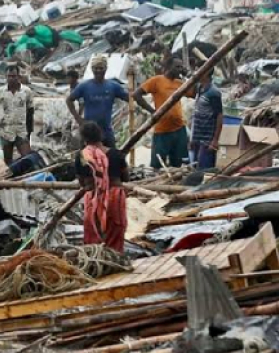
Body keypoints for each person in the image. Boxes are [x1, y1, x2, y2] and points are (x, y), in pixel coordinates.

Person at [75, 122, 129, 253]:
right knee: (115, 234)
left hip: (93, 198)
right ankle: (115, 261)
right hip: (115, 196)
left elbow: (81, 181)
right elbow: (126, 177)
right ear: (101, 136)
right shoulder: (116, 154)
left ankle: (95, 264)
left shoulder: (82, 156)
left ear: (84, 139)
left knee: (93, 234)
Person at [134, 59, 193, 169]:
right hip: (162, 130)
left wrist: (189, 75)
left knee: (178, 165)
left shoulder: (180, 83)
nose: (180, 70)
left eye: (181, 67)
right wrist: (152, 111)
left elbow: (195, 92)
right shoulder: (157, 80)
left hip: (179, 129)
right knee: (157, 164)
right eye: (177, 67)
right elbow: (137, 94)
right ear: (169, 67)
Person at [67, 55, 129, 148]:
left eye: (101, 68)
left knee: (112, 157)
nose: (98, 71)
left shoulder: (113, 86)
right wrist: (78, 119)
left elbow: (129, 98)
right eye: (96, 68)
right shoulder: (84, 86)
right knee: (86, 159)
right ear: (92, 69)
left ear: (106, 69)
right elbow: (69, 100)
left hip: (106, 131)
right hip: (88, 132)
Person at [0, 65, 35, 165]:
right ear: (6, 77)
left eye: (14, 76)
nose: (11, 78)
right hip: (6, 131)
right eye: (9, 76)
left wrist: (29, 131)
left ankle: (26, 178)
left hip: (21, 130)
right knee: (8, 161)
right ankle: (12, 179)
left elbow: (30, 111)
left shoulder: (26, 91)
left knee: (28, 158)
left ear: (18, 77)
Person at [190, 71, 224, 171]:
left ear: (206, 72)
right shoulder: (200, 89)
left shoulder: (214, 93)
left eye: (199, 70)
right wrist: (192, 138)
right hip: (197, 138)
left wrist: (215, 140)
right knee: (196, 169)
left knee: (206, 171)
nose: (196, 73)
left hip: (207, 140)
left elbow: (220, 116)